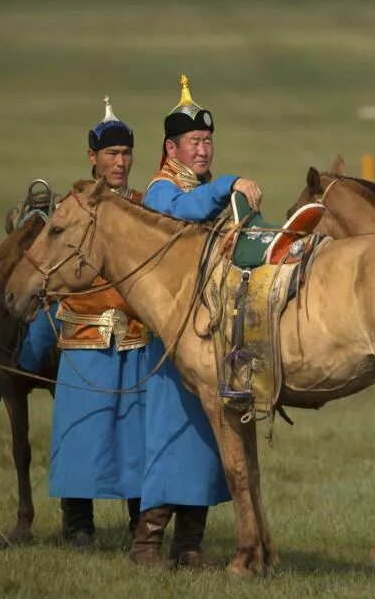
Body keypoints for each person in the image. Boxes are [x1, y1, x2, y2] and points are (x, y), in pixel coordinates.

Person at [130, 75, 262, 569]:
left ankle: (190, 545)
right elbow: (183, 213)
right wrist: (230, 184)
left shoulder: (205, 190)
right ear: (171, 147)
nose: (204, 150)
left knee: (209, 445)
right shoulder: (163, 192)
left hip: (207, 338)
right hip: (170, 344)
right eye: (195, 142)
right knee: (172, 438)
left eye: (208, 142)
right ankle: (145, 545)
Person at [39, 97, 150, 549]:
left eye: (125, 154)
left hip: (137, 336)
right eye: (111, 154)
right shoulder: (72, 208)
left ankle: (140, 522)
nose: (119, 162)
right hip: (84, 332)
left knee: (136, 434)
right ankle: (78, 524)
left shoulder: (146, 208)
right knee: (81, 430)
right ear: (93, 158)